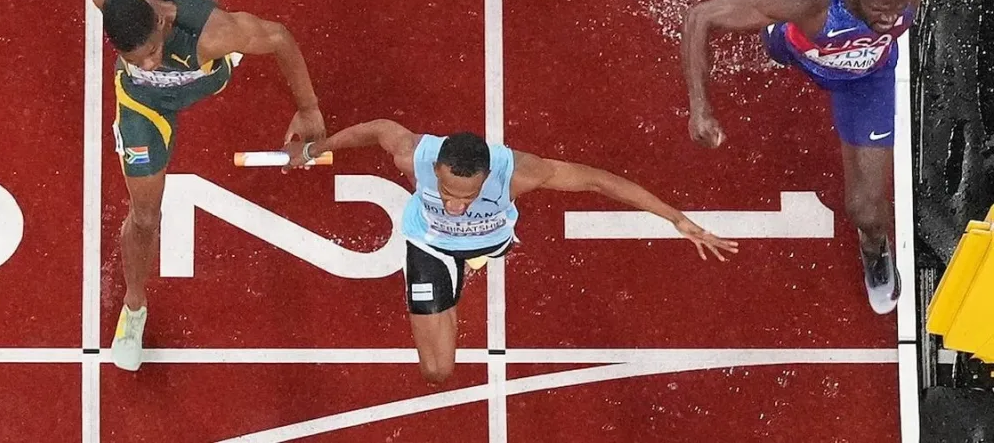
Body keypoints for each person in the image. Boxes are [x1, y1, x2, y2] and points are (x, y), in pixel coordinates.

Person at [37, 0, 328, 371]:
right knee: (145, 216)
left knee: (212, 13)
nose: (147, 64)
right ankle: (135, 308)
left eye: (151, 53)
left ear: (162, 23)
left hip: (206, 74)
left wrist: (309, 109)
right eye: (136, 59)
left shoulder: (211, 34)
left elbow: (278, 38)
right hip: (143, 106)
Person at [679, 0, 972, 314]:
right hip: (795, 45)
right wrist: (700, 107)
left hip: (866, 80)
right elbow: (698, 18)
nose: (891, 20)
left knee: (866, 211)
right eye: (880, 9)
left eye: (899, 7)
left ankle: (875, 250)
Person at [279, 120, 738, 383]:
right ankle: (449, 292)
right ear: (434, 167)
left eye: (468, 196)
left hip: (491, 240)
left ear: (488, 179)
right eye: (447, 192)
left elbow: (601, 181)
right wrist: (316, 148)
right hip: (430, 245)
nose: (457, 206)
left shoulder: (521, 173)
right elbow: (374, 129)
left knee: (474, 266)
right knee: (437, 372)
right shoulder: (412, 154)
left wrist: (676, 218)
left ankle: (463, 275)